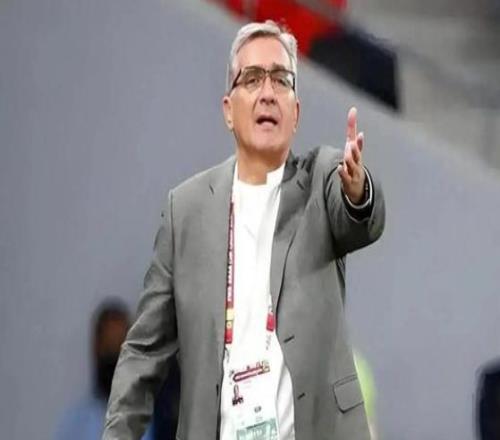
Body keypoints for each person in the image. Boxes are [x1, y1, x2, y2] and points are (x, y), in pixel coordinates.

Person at [103, 20, 385, 440]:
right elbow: (144, 351)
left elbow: (359, 220)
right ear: (228, 111)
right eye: (252, 79)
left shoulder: (322, 179)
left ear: (295, 112)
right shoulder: (186, 210)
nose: (267, 92)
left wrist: (357, 190)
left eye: (281, 79)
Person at [55, 299, 154, 440]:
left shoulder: (152, 422)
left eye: (120, 348)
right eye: (108, 348)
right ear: (96, 349)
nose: (114, 358)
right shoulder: (75, 426)